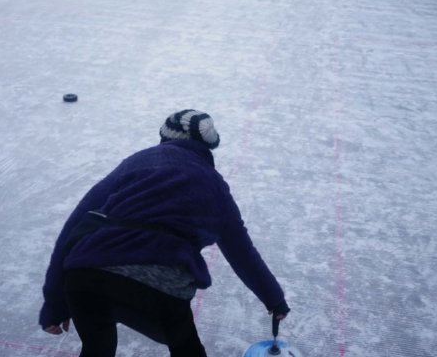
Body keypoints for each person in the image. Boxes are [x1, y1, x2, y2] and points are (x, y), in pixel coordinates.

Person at [38, 110, 290, 355]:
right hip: (158, 293)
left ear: (165, 138)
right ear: (206, 148)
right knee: (186, 350)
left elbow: (74, 226)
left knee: (97, 349)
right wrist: (274, 299)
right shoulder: (214, 186)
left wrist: (54, 303)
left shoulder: (138, 161)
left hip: (86, 276)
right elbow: (242, 252)